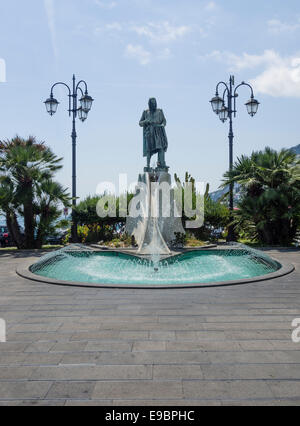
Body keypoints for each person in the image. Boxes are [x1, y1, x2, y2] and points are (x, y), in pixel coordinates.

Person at [139, 98, 168, 171]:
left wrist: (163, 125)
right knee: (149, 149)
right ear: (149, 104)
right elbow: (140, 123)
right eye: (152, 103)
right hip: (150, 132)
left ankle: (161, 164)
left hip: (159, 132)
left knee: (160, 148)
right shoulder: (145, 112)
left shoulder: (160, 111)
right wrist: (146, 121)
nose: (154, 104)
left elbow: (164, 121)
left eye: (155, 103)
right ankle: (148, 165)